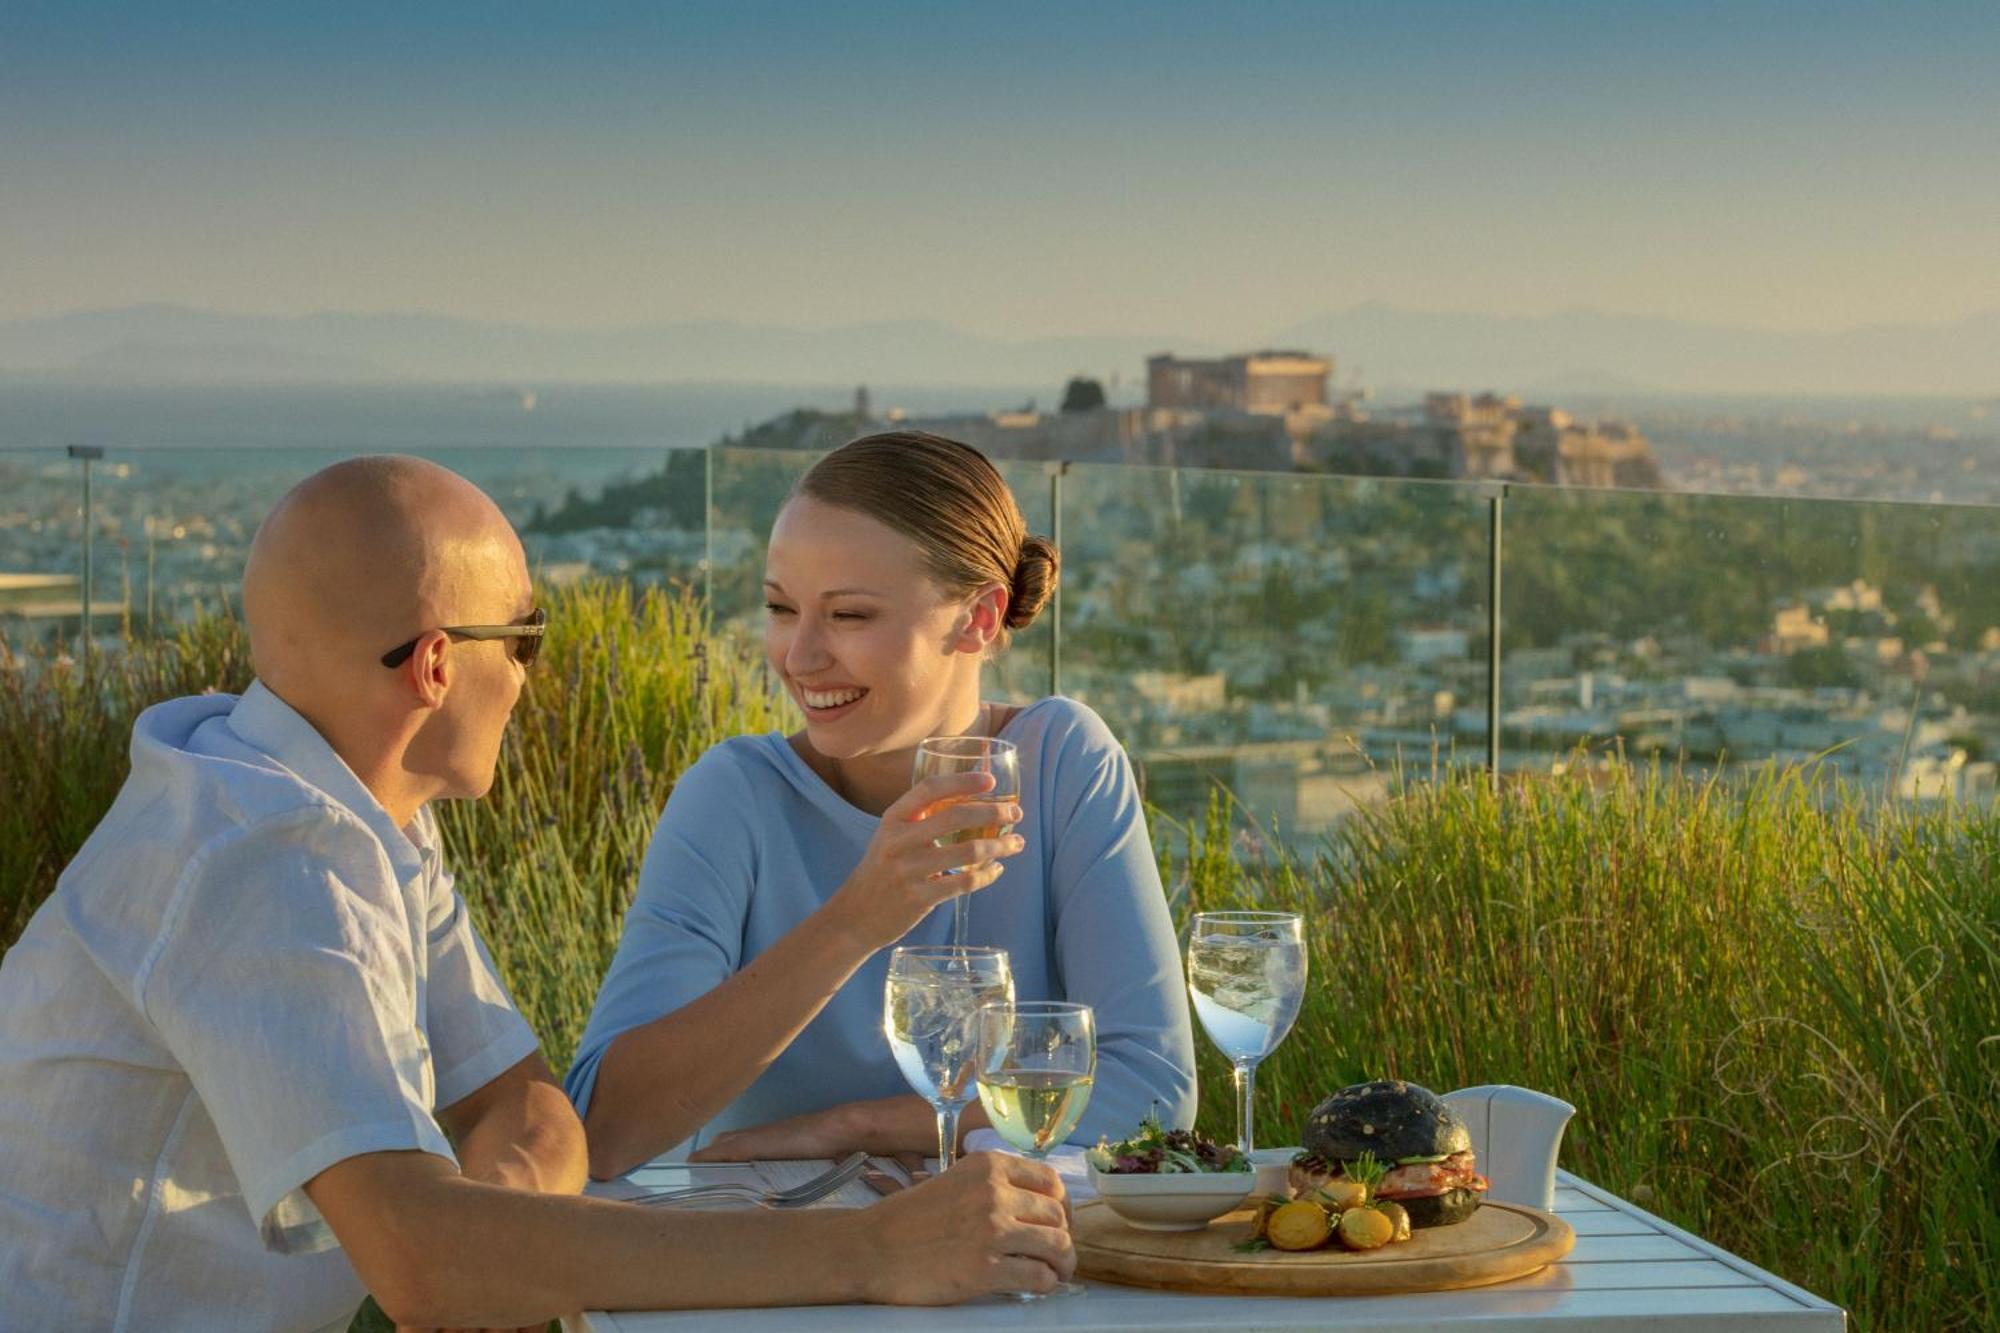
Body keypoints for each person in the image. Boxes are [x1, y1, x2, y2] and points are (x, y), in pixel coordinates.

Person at [0, 456, 1074, 1332]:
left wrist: (501, 1243)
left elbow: (524, 1106)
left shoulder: (368, 820)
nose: (528, 677)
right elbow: (422, 1261)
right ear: (433, 667)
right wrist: (871, 1253)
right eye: (524, 639)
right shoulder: (266, 858)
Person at [569, 431, 1197, 1179]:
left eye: (850, 615)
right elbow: (603, 1127)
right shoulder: (734, 796)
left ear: (979, 618)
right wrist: (858, 918)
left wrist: (850, 1128)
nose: (800, 657)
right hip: (780, 1261)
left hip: (1013, 1269)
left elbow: (1153, 1094)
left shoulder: (1062, 763)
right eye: (779, 607)